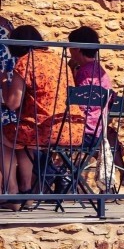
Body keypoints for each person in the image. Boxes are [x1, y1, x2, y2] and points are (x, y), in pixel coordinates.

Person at [0, 26, 84, 207]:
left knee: (4, 136)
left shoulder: (26, 61)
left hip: (45, 130)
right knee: (20, 139)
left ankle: (12, 193)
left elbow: (13, 103)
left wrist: (4, 81)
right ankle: (26, 193)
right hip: (72, 130)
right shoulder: (59, 61)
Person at [67, 26, 124, 190]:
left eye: (70, 46)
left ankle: (56, 180)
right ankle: (113, 180)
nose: (69, 50)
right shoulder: (100, 72)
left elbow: (78, 106)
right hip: (99, 131)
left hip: (83, 132)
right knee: (110, 136)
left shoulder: (83, 73)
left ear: (77, 48)